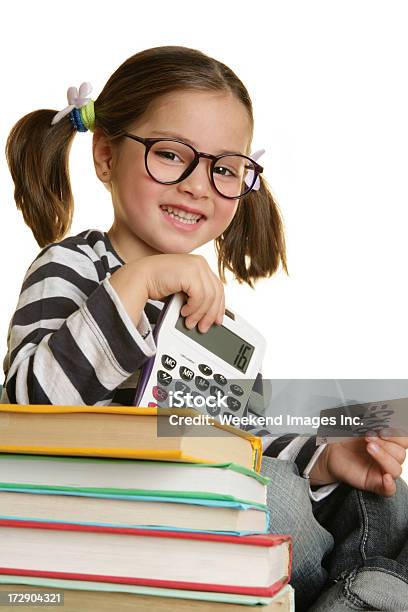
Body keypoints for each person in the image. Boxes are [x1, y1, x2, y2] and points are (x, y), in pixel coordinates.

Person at [2, 46, 408, 610]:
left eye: (223, 168)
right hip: (135, 515)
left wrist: (327, 459)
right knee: (280, 499)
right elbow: (27, 414)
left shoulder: (211, 312)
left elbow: (241, 428)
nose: (197, 186)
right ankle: (364, 594)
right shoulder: (70, 269)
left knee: (384, 496)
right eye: (170, 155)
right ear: (104, 157)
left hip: (218, 492)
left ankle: (369, 592)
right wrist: (133, 285)